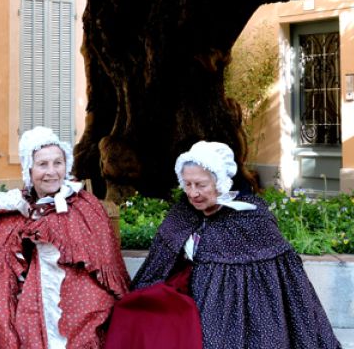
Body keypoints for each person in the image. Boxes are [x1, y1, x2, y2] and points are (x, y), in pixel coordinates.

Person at [106, 141, 341, 349]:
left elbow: (280, 277)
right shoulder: (183, 212)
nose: (193, 193)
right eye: (187, 184)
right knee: (136, 312)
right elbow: (160, 261)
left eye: (200, 185)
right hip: (184, 291)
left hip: (236, 307)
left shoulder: (251, 216)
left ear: (221, 181)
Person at [0, 126, 130, 348]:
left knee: (84, 318)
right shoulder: (17, 206)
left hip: (77, 288)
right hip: (26, 288)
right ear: (29, 169)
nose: (52, 171)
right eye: (43, 164)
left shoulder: (85, 205)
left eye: (58, 163)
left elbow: (106, 257)